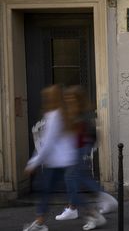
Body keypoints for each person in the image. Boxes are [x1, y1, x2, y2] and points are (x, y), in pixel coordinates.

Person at [55, 85, 117, 230]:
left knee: (74, 178)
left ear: (78, 99)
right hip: (76, 148)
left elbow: (87, 134)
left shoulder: (82, 114)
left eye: (71, 98)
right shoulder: (75, 112)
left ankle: (93, 209)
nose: (68, 100)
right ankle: (75, 207)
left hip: (80, 147)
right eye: (67, 98)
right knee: (76, 177)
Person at [23, 85, 78, 231]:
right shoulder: (62, 113)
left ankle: (40, 223)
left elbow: (47, 143)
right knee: (52, 190)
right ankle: (40, 222)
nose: (45, 99)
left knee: (45, 191)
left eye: (46, 97)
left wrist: (33, 163)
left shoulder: (54, 115)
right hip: (62, 160)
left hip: (55, 161)